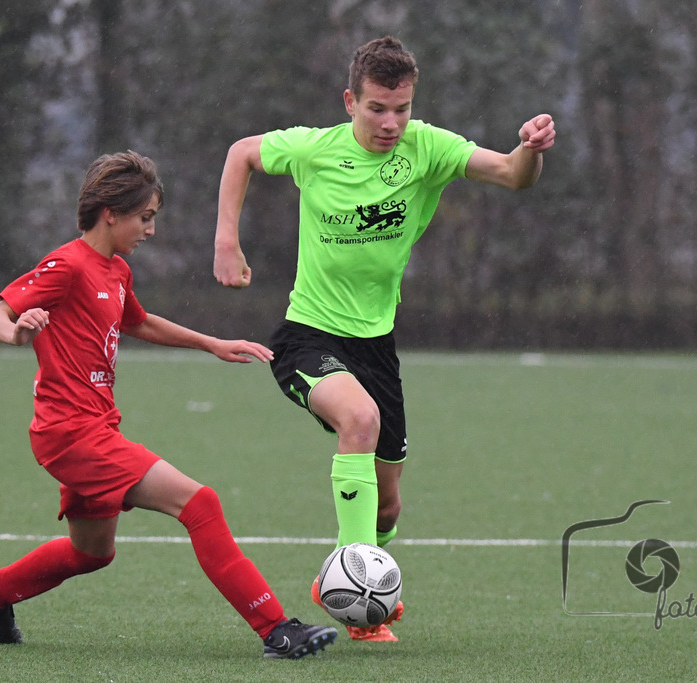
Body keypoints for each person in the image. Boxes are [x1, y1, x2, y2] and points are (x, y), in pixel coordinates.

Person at [213, 36, 556, 642]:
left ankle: (343, 579)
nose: (390, 122)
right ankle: (354, 593)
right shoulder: (315, 149)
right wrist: (226, 241)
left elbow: (511, 175)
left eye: (401, 108)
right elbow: (241, 152)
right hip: (307, 335)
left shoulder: (426, 148)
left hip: (376, 345)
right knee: (360, 420)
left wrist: (529, 149)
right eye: (376, 108)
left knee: (389, 506)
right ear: (351, 101)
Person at [0, 151, 337, 659]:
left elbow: (138, 321)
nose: (150, 231)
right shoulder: (66, 265)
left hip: (94, 428)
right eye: (145, 217)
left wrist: (212, 344)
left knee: (92, 552)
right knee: (199, 503)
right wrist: (15, 330)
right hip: (71, 434)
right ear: (111, 212)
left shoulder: (115, 271)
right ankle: (277, 629)